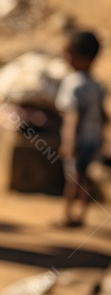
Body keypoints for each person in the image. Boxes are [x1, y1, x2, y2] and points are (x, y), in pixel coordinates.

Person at [55, 31, 105, 228]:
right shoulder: (97, 85)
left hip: (77, 140)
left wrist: (68, 142)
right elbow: (102, 115)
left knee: (72, 178)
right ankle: (81, 215)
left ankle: (68, 215)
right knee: (85, 178)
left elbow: (72, 116)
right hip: (93, 139)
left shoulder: (73, 84)